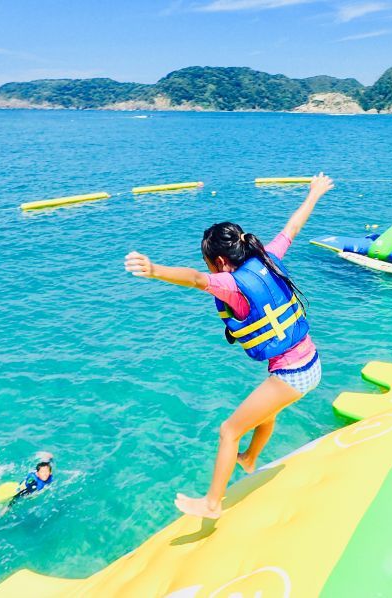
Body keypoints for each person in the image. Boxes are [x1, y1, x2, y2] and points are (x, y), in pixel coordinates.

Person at [124, 173, 334, 519]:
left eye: (209, 262)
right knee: (267, 414)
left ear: (220, 262)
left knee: (228, 430)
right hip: (311, 363)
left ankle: (211, 503)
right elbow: (291, 229)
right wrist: (313, 194)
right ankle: (250, 459)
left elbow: (194, 279)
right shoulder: (267, 258)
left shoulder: (230, 284)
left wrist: (154, 269)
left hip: (293, 373)